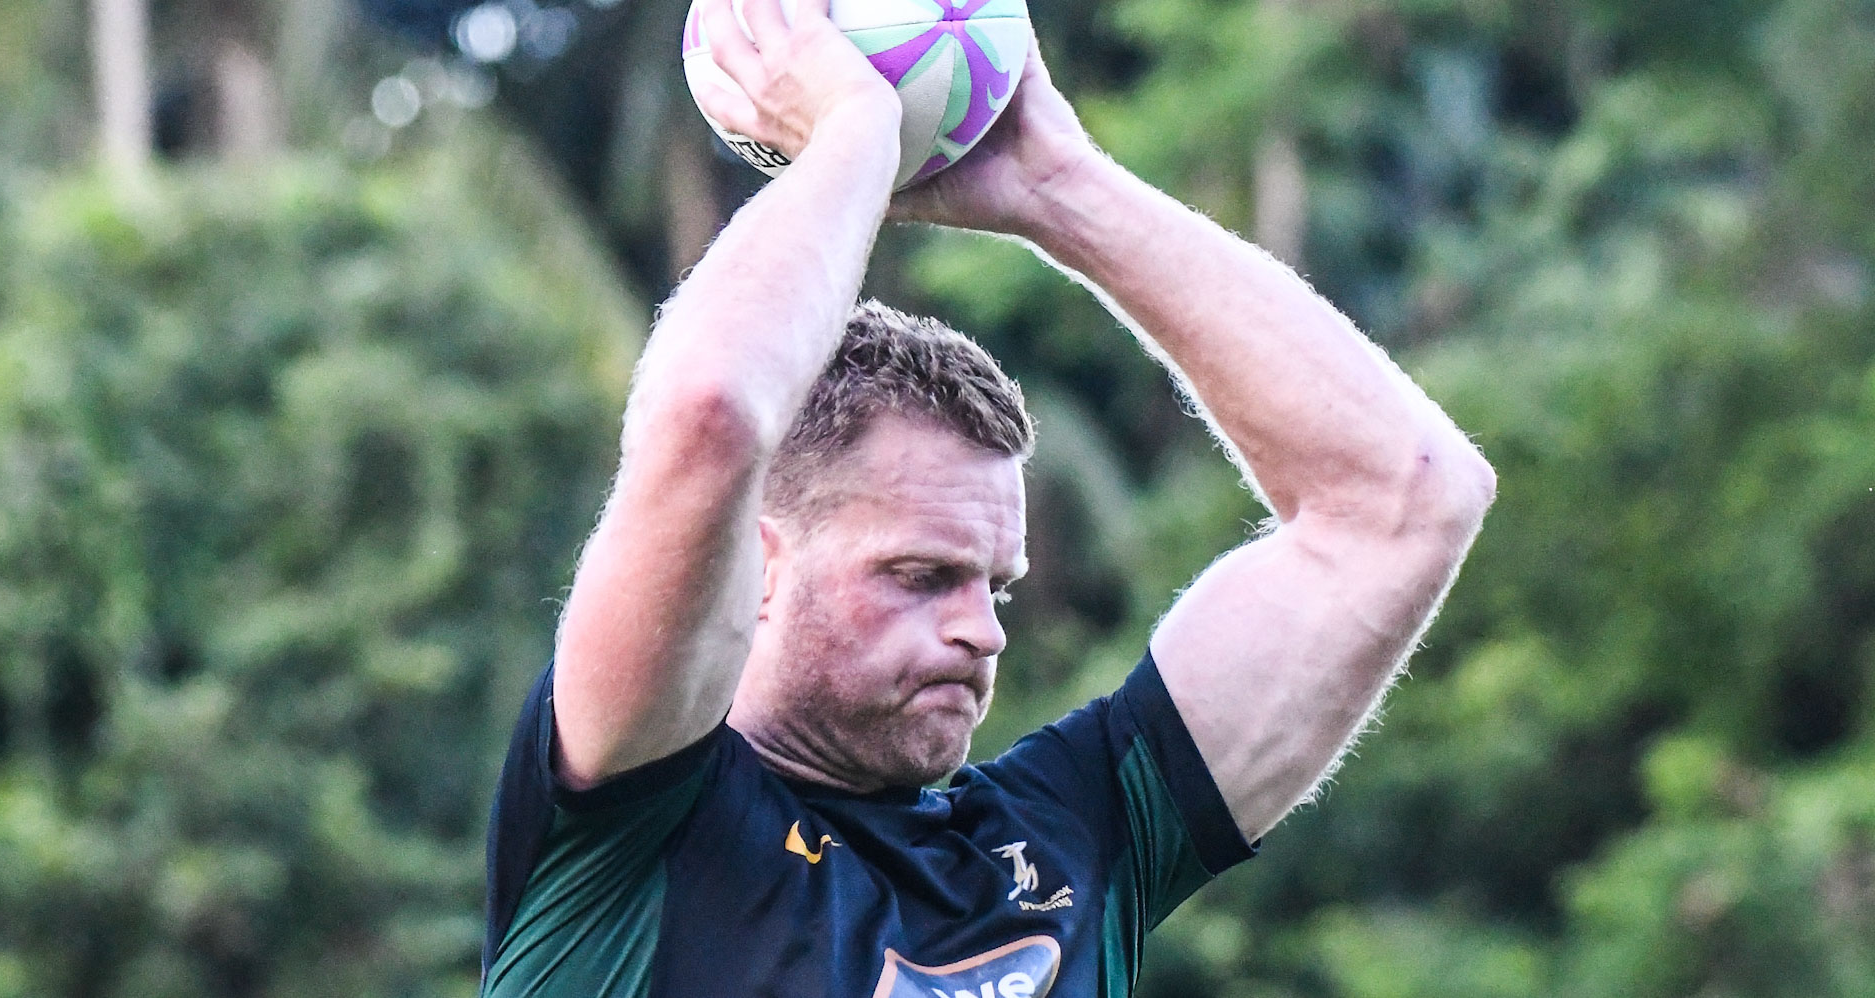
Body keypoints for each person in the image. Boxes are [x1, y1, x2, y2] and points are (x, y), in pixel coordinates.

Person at [480, 0, 1496, 994]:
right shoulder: (625, 829)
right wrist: (854, 129)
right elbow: (707, 415)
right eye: (919, 575)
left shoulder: (1079, 835)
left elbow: (1404, 500)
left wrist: (1060, 185)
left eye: (993, 586)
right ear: (756, 565)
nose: (980, 630)